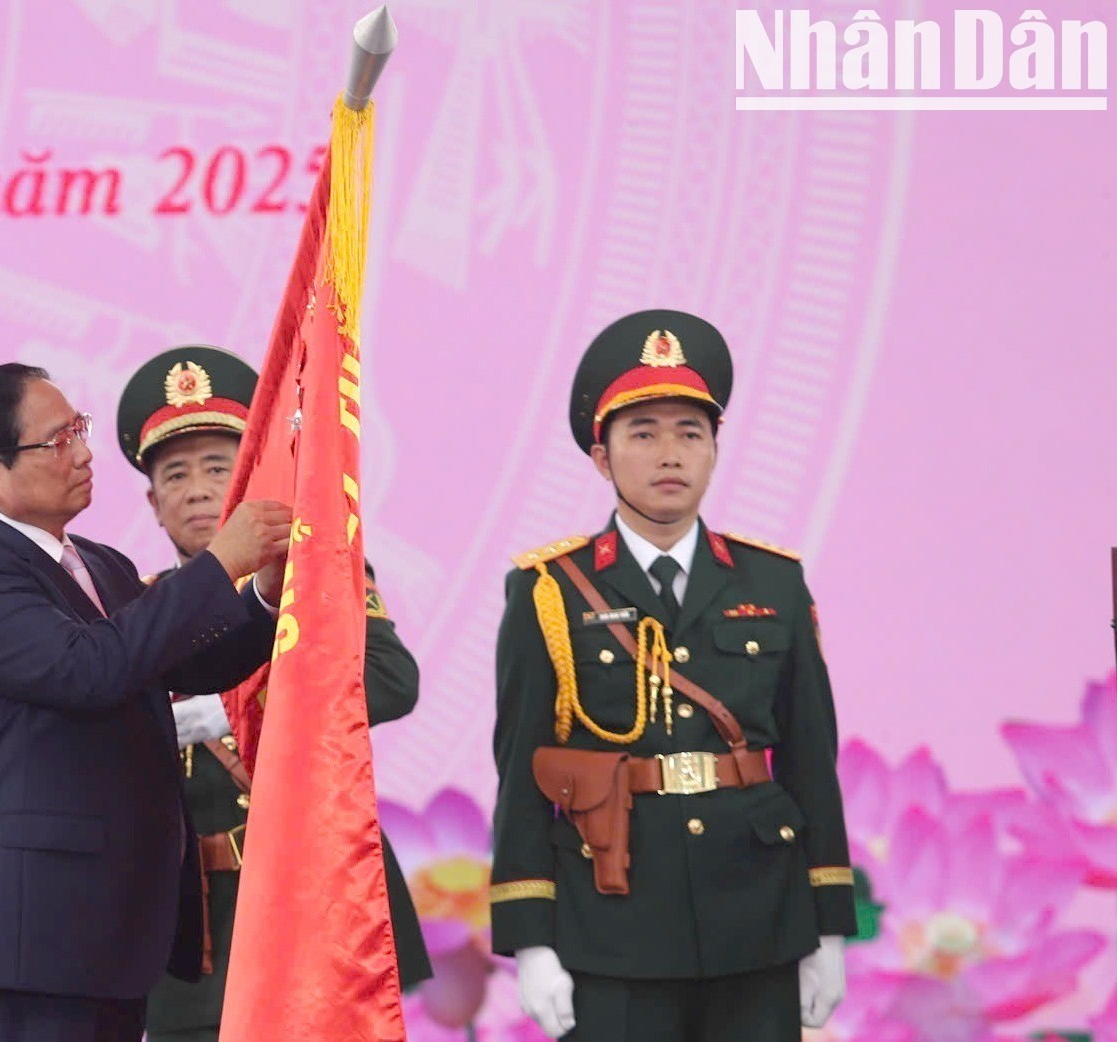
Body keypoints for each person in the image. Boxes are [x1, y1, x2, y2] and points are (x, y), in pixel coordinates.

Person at [487, 311, 854, 1041]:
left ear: (716, 449)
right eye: (643, 432)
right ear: (602, 456)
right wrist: (531, 941)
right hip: (613, 923)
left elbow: (813, 760)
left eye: (691, 433)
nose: (670, 453)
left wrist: (831, 930)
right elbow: (523, 773)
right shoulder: (549, 590)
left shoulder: (773, 582)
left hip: (759, 916)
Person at [0, 363, 292, 1042]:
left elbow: (191, 660)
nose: (85, 454)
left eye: (79, 430)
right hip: (26, 943)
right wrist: (218, 565)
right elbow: (88, 671)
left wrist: (263, 591)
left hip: (105, 933)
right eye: (58, 441)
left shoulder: (97, 563)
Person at [112, 345, 434, 1041]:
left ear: (256, 474)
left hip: (320, 897)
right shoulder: (132, 616)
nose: (199, 489)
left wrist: (231, 707)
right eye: (177, 473)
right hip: (196, 925)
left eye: (218, 466)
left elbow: (390, 680)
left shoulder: (318, 573)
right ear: (153, 502)